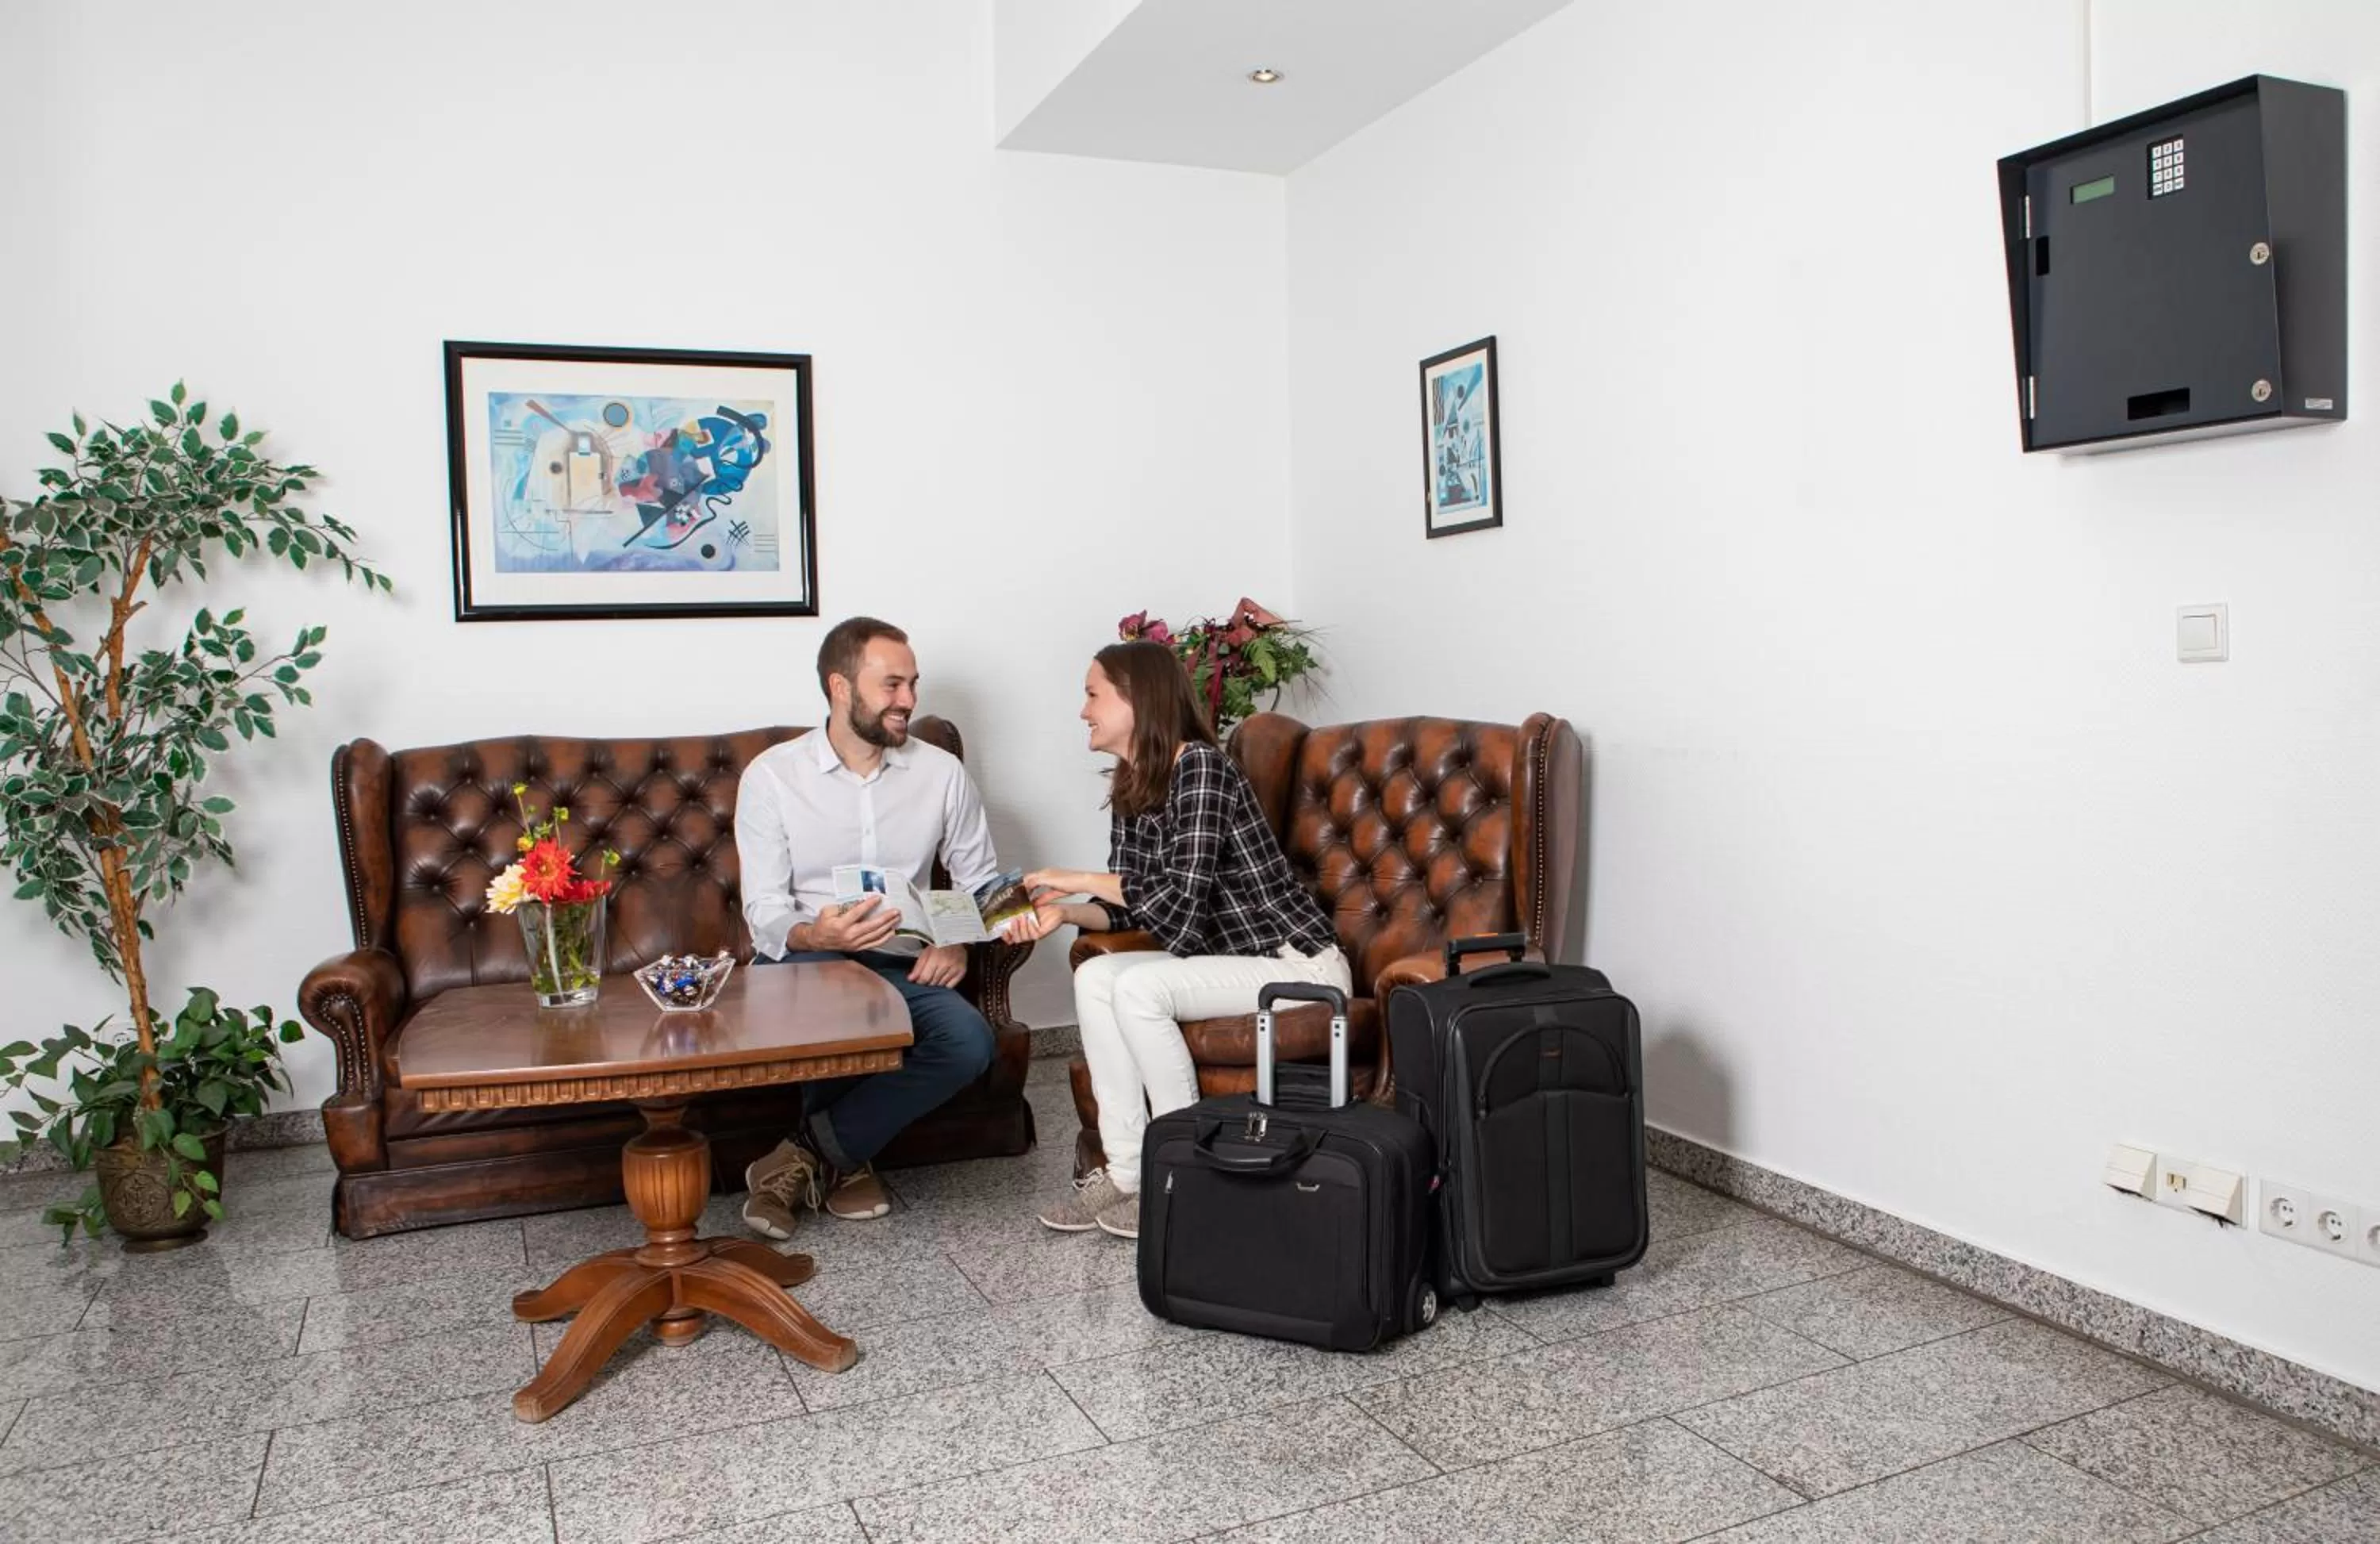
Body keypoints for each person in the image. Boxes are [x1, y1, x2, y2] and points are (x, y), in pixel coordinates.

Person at [1005, 639, 1348, 1240]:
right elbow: (1141, 910)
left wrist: (1076, 878)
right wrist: (1067, 914)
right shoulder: (1134, 782)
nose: (1082, 711)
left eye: (1092, 694)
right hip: (1229, 960)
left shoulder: (1201, 768)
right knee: (1093, 977)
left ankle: (1188, 1175)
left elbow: (1180, 913)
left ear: (1137, 699)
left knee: (1138, 988)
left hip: (1299, 968)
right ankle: (1129, 1173)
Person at [734, 616, 1016, 1239]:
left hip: (902, 962)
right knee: (832, 1005)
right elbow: (765, 910)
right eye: (891, 685)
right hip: (806, 964)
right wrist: (817, 936)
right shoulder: (773, 777)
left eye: (913, 684)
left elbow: (982, 883)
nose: (909, 701)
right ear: (840, 687)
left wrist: (958, 940)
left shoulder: (941, 772)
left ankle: (804, 1157)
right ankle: (848, 1163)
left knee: (970, 1042)